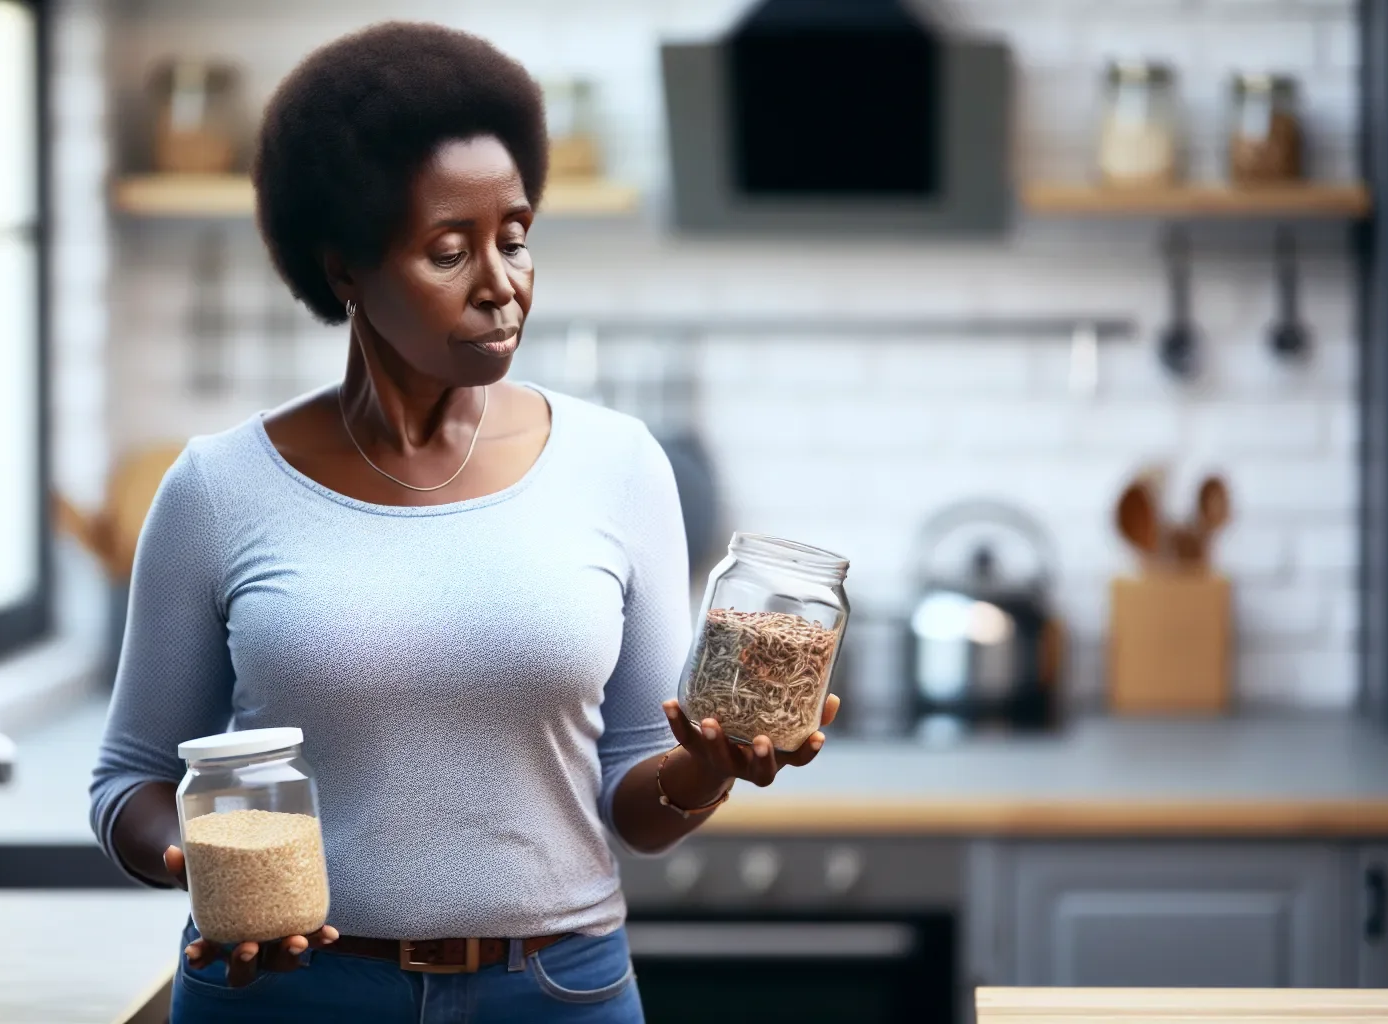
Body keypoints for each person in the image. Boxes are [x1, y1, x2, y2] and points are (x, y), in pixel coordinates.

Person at [89, 21, 837, 1023]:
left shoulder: (617, 466)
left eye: (516, 237)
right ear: (345, 267)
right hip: (286, 992)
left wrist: (706, 770)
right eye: (450, 251)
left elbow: (634, 800)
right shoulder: (218, 489)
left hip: (558, 990)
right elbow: (128, 782)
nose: (502, 283)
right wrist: (199, 867)